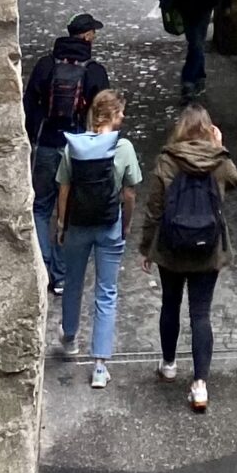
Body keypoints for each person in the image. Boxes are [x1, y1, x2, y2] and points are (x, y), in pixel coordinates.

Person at [137, 101, 237, 413]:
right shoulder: (218, 161)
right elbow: (236, 181)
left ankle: (169, 364)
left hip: (171, 247)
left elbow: (154, 208)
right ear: (209, 129)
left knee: (170, 304)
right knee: (201, 314)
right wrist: (220, 147)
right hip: (208, 248)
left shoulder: (167, 160)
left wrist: (146, 248)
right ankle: (199, 385)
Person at [53, 88, 143, 388]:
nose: (124, 117)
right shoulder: (123, 148)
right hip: (109, 225)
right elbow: (129, 193)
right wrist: (126, 224)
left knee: (73, 282)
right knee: (107, 291)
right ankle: (100, 367)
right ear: (112, 115)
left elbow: (63, 189)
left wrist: (61, 224)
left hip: (78, 226)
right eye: (121, 112)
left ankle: (69, 337)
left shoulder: (74, 147)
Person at [22, 13, 108, 294]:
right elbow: (103, 113)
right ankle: (59, 276)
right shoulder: (94, 71)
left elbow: (29, 104)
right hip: (78, 148)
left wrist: (32, 136)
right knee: (68, 211)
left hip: (47, 143)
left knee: (40, 207)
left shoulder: (45, 65)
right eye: (93, 33)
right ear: (86, 36)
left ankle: (42, 264)